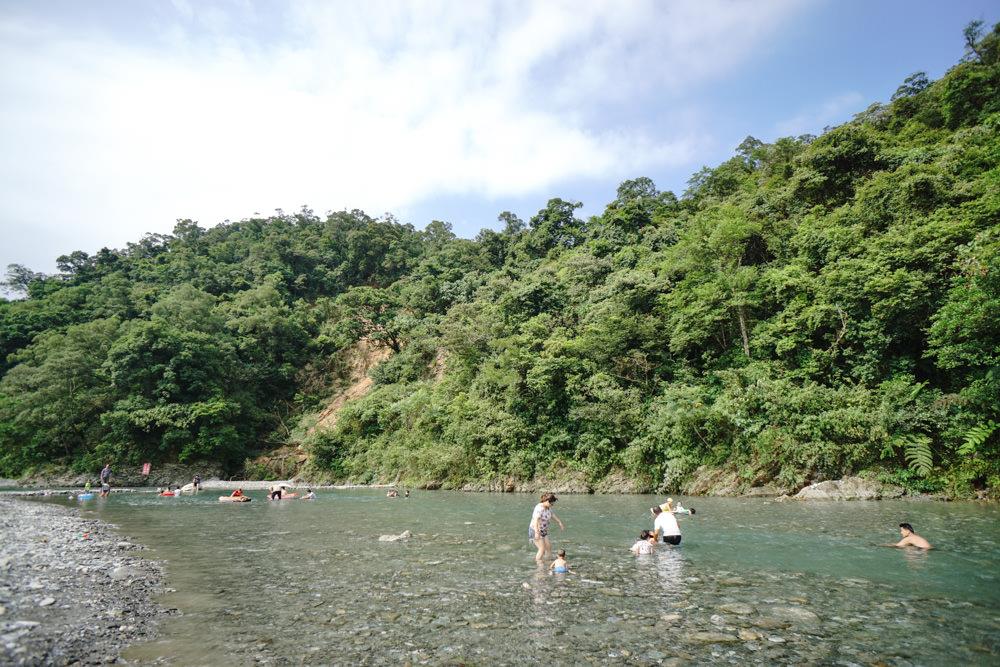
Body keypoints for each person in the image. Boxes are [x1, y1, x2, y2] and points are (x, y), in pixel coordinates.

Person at [528, 492, 564, 563]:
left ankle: (548, 561)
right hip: (535, 530)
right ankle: (538, 565)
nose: (552, 505)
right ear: (547, 501)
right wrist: (537, 532)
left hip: (543, 530)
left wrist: (559, 522)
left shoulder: (548, 507)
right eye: (552, 503)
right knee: (542, 549)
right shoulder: (539, 508)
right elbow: (536, 521)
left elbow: (552, 515)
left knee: (548, 547)